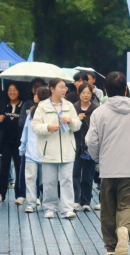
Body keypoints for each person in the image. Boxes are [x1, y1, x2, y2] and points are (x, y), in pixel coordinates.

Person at [87, 72, 130, 255]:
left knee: (108, 208)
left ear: (106, 90)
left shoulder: (99, 112)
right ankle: (124, 228)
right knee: (128, 204)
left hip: (108, 168)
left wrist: (99, 158)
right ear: (126, 89)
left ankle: (111, 246)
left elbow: (91, 141)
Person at [32, 77, 81, 219]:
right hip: (48, 150)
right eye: (61, 87)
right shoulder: (43, 106)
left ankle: (67, 209)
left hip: (67, 149)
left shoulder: (69, 106)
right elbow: (35, 126)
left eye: (65, 87)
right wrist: (48, 127)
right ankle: (49, 208)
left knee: (67, 180)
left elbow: (77, 125)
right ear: (52, 89)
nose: (64, 90)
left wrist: (70, 121)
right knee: (49, 181)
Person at [0, 81, 27, 203]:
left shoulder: (23, 105)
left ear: (19, 91)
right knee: (3, 167)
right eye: (9, 90)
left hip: (19, 141)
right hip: (5, 141)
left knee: (19, 168)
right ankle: (0, 193)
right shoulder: (3, 104)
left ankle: (20, 194)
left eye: (14, 90)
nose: (12, 92)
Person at [72, 83, 99, 210]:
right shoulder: (73, 108)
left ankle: (86, 202)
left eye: (88, 93)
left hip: (90, 146)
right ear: (79, 93)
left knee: (88, 175)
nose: (86, 95)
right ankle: (75, 200)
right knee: (75, 174)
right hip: (75, 145)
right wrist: (76, 119)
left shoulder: (96, 109)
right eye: (83, 92)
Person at [21, 84, 48, 213]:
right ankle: (31, 203)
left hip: (45, 151)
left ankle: (44, 203)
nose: (34, 96)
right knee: (30, 178)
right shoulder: (31, 112)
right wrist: (23, 147)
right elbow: (25, 131)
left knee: (45, 180)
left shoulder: (49, 113)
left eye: (36, 94)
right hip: (31, 151)